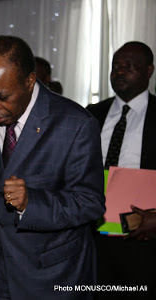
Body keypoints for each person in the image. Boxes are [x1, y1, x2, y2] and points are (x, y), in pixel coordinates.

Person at [0, 35, 105, 299]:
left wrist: (32, 203)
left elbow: (90, 203)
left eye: (2, 96)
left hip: (52, 275)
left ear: (29, 81)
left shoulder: (75, 124)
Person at [86, 41, 156, 299]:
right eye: (116, 66)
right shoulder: (92, 114)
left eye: (129, 66)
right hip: (92, 234)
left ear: (149, 71)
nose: (119, 72)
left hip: (143, 238)